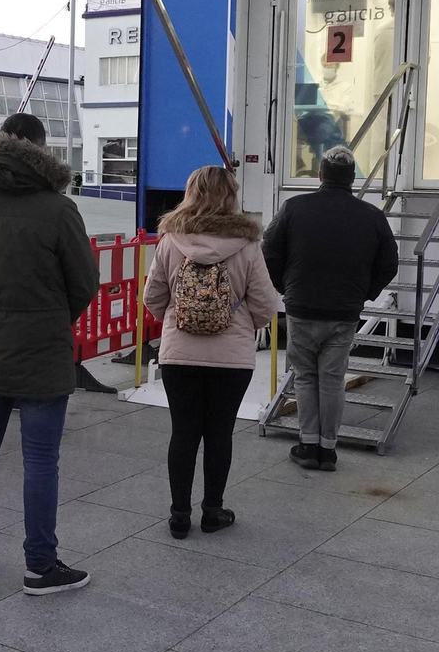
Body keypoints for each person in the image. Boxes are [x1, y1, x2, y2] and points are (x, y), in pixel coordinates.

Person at [0, 113, 100, 595]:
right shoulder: (58, 209)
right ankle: (40, 565)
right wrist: (53, 318)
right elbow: (84, 283)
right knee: (39, 460)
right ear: (39, 148)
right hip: (42, 354)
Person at [144, 167, 280, 538]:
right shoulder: (247, 245)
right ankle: (212, 512)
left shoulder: (171, 240)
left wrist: (176, 319)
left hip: (179, 354)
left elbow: (153, 296)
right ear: (230, 195)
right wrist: (241, 325)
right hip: (231, 358)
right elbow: (266, 304)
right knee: (219, 433)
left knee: (183, 432)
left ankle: (179, 515)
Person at [262, 145, 398, 471]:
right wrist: (366, 293)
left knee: (305, 377)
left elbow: (269, 250)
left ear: (320, 175)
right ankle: (328, 449)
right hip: (344, 312)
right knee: (333, 380)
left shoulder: (294, 207)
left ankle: (308, 445)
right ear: (352, 179)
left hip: (302, 307)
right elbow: (389, 263)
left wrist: (285, 287)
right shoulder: (372, 216)